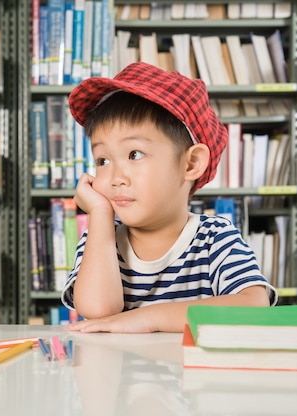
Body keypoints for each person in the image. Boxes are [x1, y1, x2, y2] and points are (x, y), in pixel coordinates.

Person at [61, 62, 277, 334]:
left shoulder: (214, 237)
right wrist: (100, 214)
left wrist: (150, 318)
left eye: (134, 154)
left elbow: (255, 305)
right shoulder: (100, 241)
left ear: (190, 164)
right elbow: (98, 310)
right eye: (102, 159)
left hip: (196, 376)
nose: (115, 177)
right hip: (121, 377)